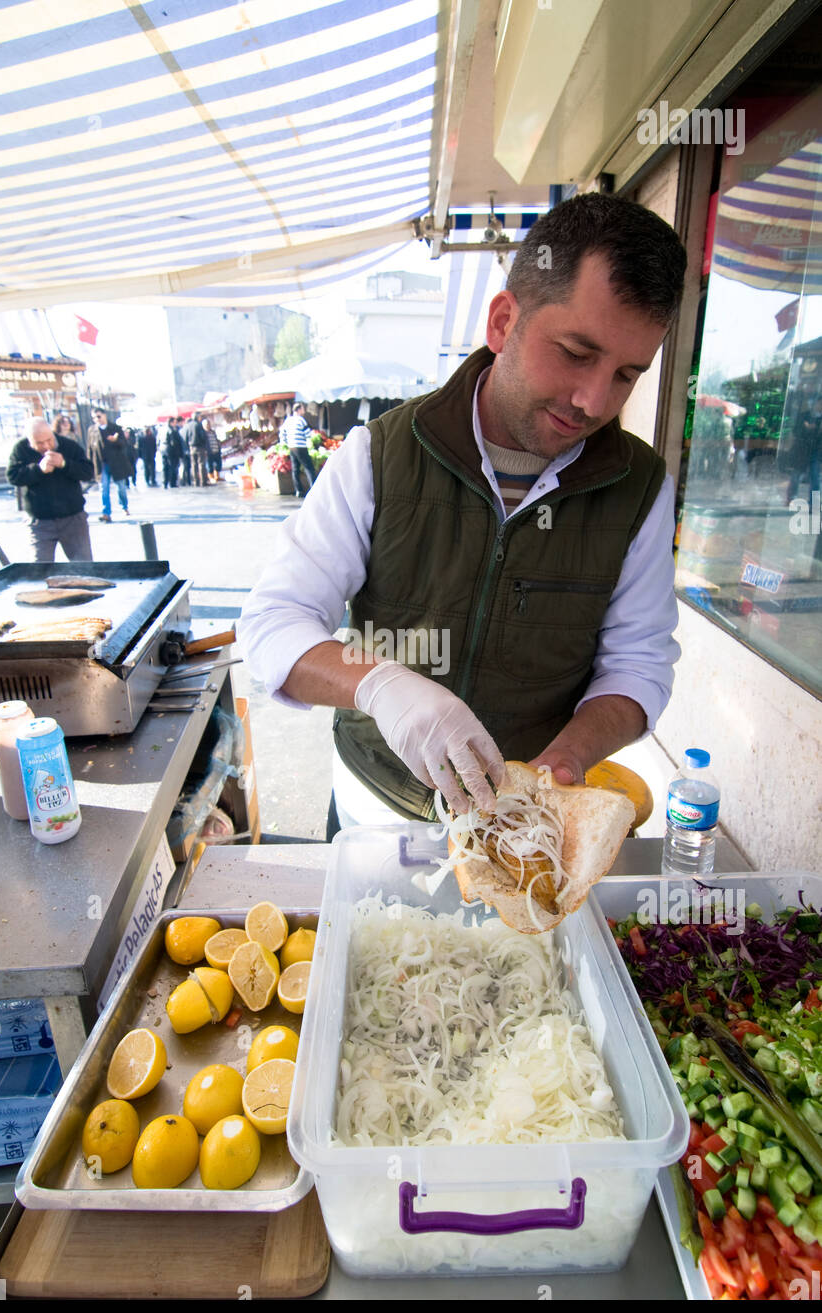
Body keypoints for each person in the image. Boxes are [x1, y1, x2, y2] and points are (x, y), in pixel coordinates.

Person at [239, 193, 687, 835]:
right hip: (379, 812)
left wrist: (566, 761)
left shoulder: (639, 487)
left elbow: (638, 664)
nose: (592, 401)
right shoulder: (381, 452)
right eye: (575, 353)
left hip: (528, 829)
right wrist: (380, 685)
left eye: (626, 375)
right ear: (504, 320)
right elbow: (272, 622)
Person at [6, 417, 95, 560]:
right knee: (40, 568)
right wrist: (37, 470)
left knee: (84, 566)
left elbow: (88, 472)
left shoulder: (69, 445)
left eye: (49, 440)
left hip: (73, 518)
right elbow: (13, 476)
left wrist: (65, 464)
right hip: (40, 520)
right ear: (30, 441)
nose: (46, 446)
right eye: (39, 443)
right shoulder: (20, 449)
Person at [279, 403, 317, 497]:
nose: (303, 411)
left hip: (291, 447)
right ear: (299, 410)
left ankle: (298, 490)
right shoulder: (301, 420)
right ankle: (314, 489)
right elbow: (308, 434)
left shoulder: (288, 420)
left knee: (295, 469)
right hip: (301, 447)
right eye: (303, 409)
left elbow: (282, 433)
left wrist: (286, 442)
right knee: (309, 468)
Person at [183, 412, 209, 487]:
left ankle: (195, 481)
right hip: (199, 446)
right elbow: (202, 436)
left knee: (194, 464)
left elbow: (186, 437)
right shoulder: (198, 425)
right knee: (201, 463)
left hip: (191, 447)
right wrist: (204, 444)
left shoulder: (188, 426)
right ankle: (203, 481)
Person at [177, 418, 192, 486]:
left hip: (182, 451)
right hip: (186, 451)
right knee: (187, 467)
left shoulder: (180, 430)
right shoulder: (187, 430)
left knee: (184, 467)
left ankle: (183, 480)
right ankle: (187, 480)